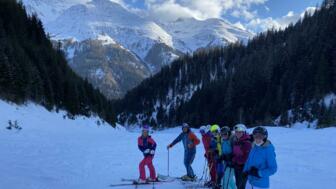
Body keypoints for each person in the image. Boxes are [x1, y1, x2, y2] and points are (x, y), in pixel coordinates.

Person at [232, 124, 252, 189]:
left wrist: (234, 159)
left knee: (242, 185)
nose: (237, 133)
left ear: (244, 132)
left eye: (240, 132)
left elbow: (246, 158)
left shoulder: (247, 143)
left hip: (243, 168)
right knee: (238, 184)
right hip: (237, 166)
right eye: (236, 132)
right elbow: (235, 153)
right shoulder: (236, 141)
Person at [209, 124, 224, 189]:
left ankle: (220, 184)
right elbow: (212, 146)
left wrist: (216, 150)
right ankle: (218, 184)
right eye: (212, 132)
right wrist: (213, 150)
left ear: (218, 131)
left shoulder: (222, 137)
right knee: (218, 171)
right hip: (217, 157)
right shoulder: (213, 139)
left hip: (223, 157)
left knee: (222, 171)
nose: (214, 133)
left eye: (215, 131)